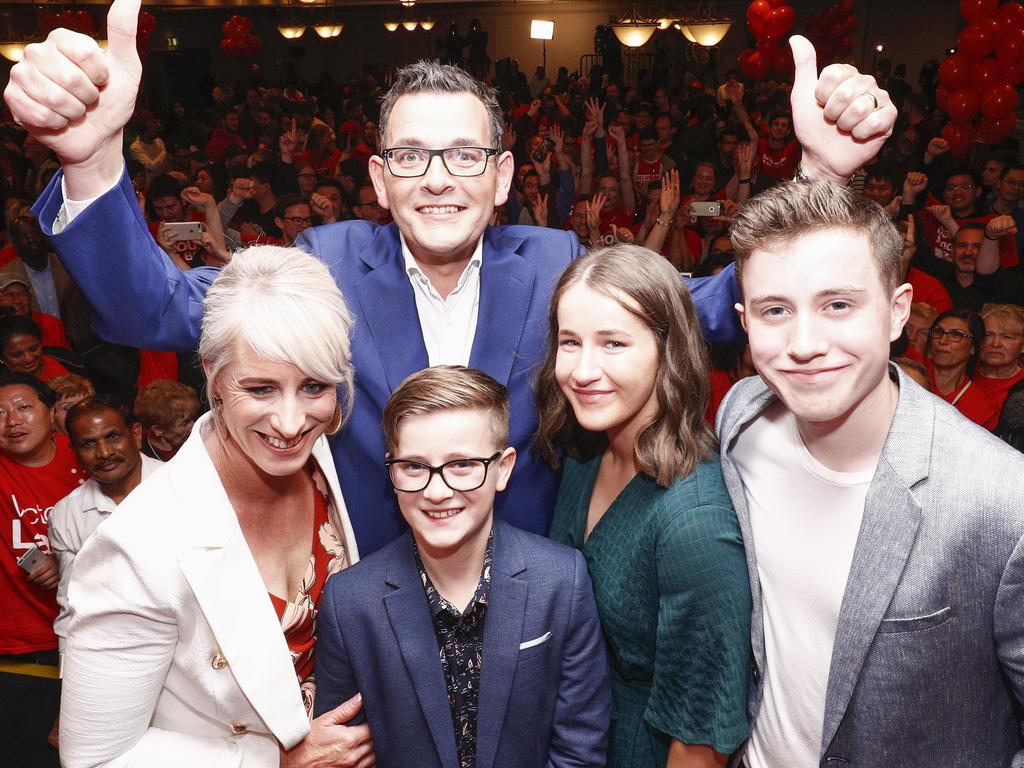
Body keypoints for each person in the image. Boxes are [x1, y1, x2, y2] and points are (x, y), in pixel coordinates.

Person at [7, 0, 897, 554]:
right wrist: (92, 163)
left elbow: (713, 308)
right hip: (363, 605)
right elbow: (148, 306)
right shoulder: (322, 263)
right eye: (412, 155)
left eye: (466, 153)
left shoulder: (553, 265)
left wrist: (820, 181)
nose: (439, 177)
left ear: (504, 178)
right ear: (379, 179)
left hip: (536, 610)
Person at [722, 178, 1024, 767]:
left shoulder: (1001, 501)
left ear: (898, 312)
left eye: (838, 305)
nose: (804, 344)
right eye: (775, 310)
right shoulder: (741, 417)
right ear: (744, 320)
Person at [57, 246, 369, 767]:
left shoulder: (318, 455)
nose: (292, 423)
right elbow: (95, 758)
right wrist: (275, 762)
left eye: (314, 385)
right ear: (213, 375)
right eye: (261, 388)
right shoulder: (138, 548)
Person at [315, 365, 611, 767]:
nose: (437, 491)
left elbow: (579, 747)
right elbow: (340, 753)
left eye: (462, 466)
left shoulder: (561, 580)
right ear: (392, 471)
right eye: (414, 466)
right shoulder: (349, 601)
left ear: (503, 468)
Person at [535, 245, 750, 767]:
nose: (583, 370)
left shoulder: (694, 523)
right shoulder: (586, 451)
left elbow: (699, 744)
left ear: (668, 350)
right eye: (570, 342)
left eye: (613, 344)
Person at [0, 371, 84, 766]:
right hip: (15, 654)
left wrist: (67, 560)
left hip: (88, 647)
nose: (11, 421)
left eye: (23, 408)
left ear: (52, 413)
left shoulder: (88, 455)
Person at [49, 394, 161, 653]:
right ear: (75, 451)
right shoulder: (68, 514)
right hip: (114, 654)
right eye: (88, 444)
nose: (104, 453)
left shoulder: (184, 488)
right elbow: (73, 604)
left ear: (135, 434)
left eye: (112, 437)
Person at [926, 308, 999, 430]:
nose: (942, 340)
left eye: (956, 334)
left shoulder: (983, 407)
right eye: (938, 332)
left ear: (974, 348)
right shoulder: (910, 376)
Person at [133, 379, 200, 461]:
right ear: (158, 430)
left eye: (193, 418)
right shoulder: (144, 461)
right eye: (184, 423)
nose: (193, 426)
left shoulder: (200, 439)